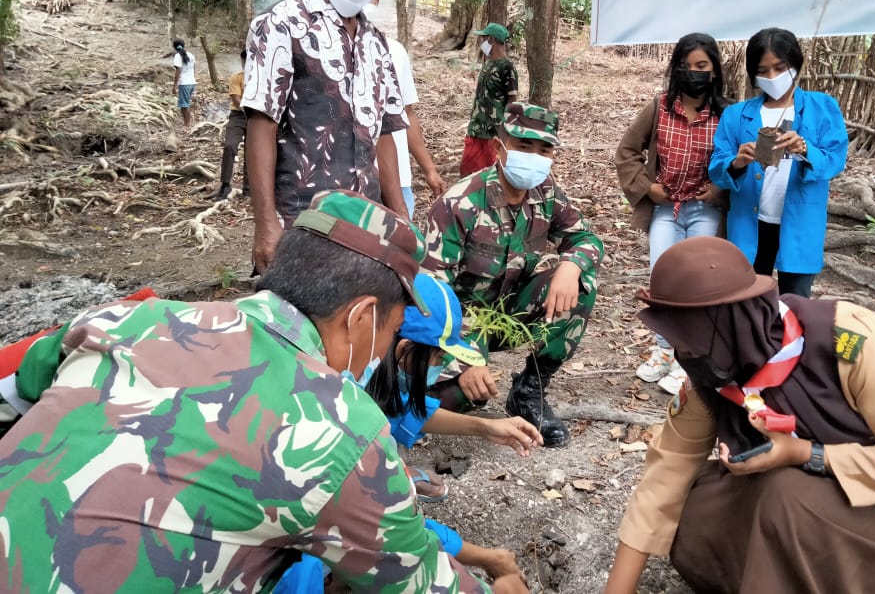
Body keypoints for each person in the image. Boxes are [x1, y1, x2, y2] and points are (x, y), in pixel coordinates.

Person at [0, 190, 528, 593]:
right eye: (391, 330)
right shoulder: (341, 427)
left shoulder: (126, 318)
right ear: (364, 317)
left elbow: (15, 387)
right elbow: (423, 582)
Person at [604, 237, 875, 594]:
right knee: (702, 501)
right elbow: (666, 474)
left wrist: (806, 454)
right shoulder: (715, 368)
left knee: (785, 497)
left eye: (689, 338)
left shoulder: (852, 344)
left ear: (732, 323)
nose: (682, 353)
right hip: (822, 494)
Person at [275, 276, 537, 592]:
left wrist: (485, 427)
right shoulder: (345, 422)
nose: (442, 367)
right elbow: (395, 537)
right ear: (404, 348)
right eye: (440, 358)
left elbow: (402, 410)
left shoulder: (353, 371)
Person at [423, 102, 603, 448]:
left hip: (511, 313)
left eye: (544, 150)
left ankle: (530, 390)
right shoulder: (459, 203)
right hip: (460, 323)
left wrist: (571, 265)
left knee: (580, 284)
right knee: (458, 398)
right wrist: (466, 359)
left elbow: (586, 238)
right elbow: (430, 293)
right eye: (524, 146)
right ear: (499, 146)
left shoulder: (545, 193)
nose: (534, 157)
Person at [243, 0, 408, 274]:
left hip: (366, 229)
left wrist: (399, 215)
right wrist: (266, 224)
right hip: (301, 226)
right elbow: (261, 124)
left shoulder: (377, 44)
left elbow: (385, 134)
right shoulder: (281, 25)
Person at [615, 32, 728, 395]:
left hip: (705, 211)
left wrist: (719, 188)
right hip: (667, 209)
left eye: (701, 66)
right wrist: (647, 187)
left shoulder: (726, 114)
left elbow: (737, 161)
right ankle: (665, 350)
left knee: (697, 283)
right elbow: (627, 150)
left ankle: (689, 359)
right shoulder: (660, 108)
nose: (693, 72)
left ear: (714, 70)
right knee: (663, 279)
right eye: (685, 65)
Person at [709, 27, 848, 297]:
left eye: (779, 68)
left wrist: (806, 149)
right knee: (748, 300)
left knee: (794, 303)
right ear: (753, 73)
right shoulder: (736, 115)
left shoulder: (822, 108)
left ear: (795, 65)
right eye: (763, 71)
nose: (772, 77)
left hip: (800, 224)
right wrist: (736, 163)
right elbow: (716, 166)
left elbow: (834, 159)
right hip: (750, 223)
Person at [368, 0, 447, 217]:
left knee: (400, 234)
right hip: (349, 182)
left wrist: (429, 170)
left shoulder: (395, 51)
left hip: (398, 178)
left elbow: (406, 114)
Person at [461, 23, 518, 176]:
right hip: (476, 128)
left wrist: (507, 129)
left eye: (484, 38)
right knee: (468, 171)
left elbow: (512, 100)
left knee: (490, 174)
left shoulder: (507, 67)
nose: (482, 42)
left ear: (491, 39)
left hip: (493, 132)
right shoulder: (488, 63)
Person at [213, 49, 249, 200]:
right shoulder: (237, 77)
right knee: (230, 146)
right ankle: (225, 184)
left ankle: (248, 188)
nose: (246, 64)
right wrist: (248, 111)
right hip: (238, 116)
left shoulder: (262, 79)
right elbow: (236, 99)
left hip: (257, 118)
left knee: (251, 152)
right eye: (244, 61)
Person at [172, 37, 196, 129]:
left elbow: (178, 71)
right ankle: (187, 123)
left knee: (184, 105)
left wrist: (174, 85)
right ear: (183, 45)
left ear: (174, 47)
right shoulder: (191, 55)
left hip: (184, 83)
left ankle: (187, 125)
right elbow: (194, 68)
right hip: (192, 82)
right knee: (186, 103)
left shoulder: (177, 56)